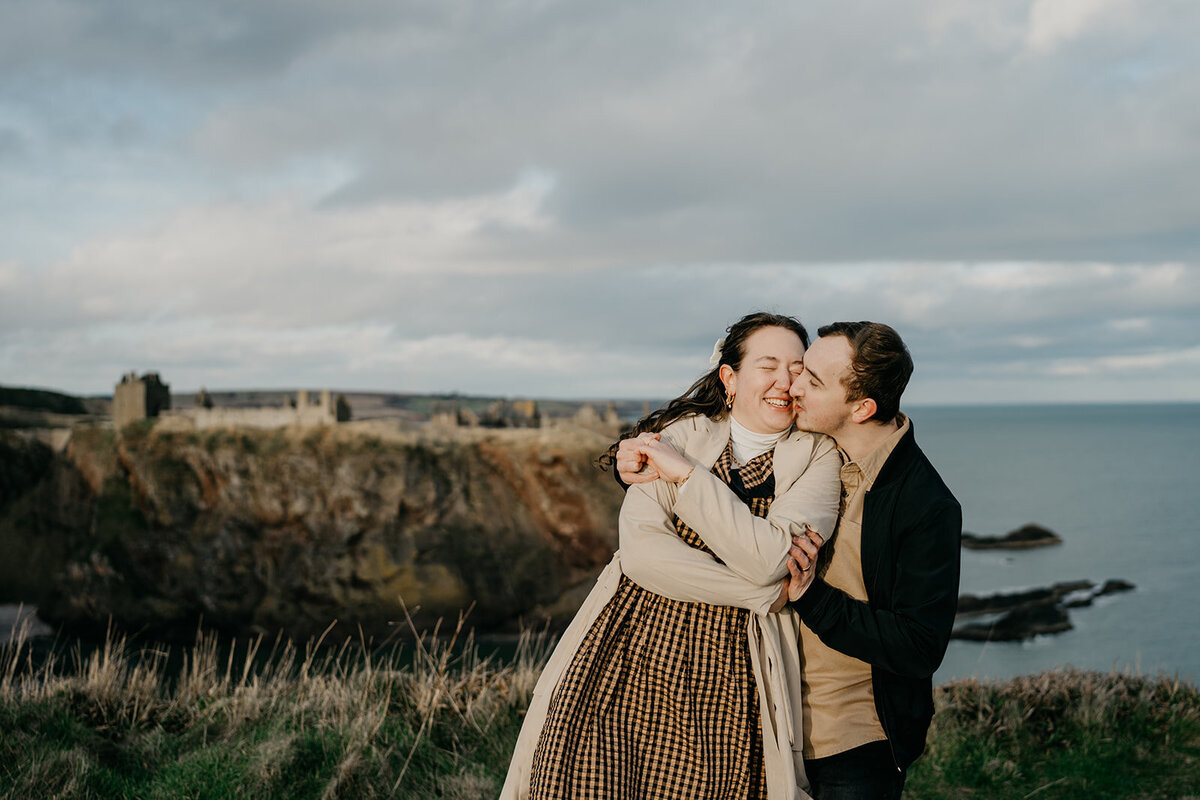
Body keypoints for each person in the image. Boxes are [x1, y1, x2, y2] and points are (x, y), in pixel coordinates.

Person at [501, 312, 842, 800]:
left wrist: (685, 477)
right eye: (768, 366)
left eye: (796, 368)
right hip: (624, 649)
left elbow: (772, 558)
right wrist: (763, 593)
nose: (783, 382)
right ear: (730, 377)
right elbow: (642, 557)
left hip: (734, 671)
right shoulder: (679, 436)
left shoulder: (818, 457)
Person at [619, 321, 962, 800]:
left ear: (861, 408)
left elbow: (918, 646)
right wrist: (633, 464)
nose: (792, 385)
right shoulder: (810, 448)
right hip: (763, 715)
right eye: (801, 370)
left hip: (849, 735)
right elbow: (726, 471)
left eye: (811, 380)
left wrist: (810, 598)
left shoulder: (924, 504)